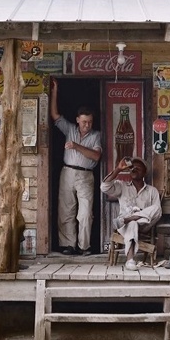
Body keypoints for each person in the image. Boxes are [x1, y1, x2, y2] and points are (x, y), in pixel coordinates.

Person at [50, 79, 103, 255]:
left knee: (85, 212)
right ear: (77, 120)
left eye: (90, 122)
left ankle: (84, 246)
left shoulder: (96, 135)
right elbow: (55, 115)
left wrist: (76, 146)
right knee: (66, 210)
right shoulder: (70, 129)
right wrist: (55, 90)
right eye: (84, 121)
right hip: (67, 172)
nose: (87, 125)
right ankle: (69, 245)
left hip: (86, 175)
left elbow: (96, 156)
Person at [100, 156, 161, 271]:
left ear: (145, 173)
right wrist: (118, 169)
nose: (134, 169)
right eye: (132, 167)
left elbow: (157, 213)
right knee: (132, 224)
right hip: (125, 226)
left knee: (157, 208)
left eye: (138, 168)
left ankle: (131, 218)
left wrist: (135, 217)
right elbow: (104, 187)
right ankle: (130, 260)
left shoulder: (152, 191)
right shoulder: (122, 186)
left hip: (144, 225)